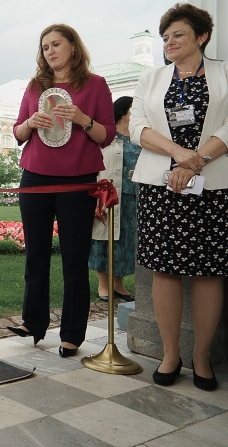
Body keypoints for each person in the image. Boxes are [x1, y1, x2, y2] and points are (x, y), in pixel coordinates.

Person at [130, 3, 228, 391]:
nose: (169, 42)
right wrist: (178, 155)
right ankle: (170, 354)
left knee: (208, 273)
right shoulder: (150, 79)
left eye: (178, 35)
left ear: (201, 37)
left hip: (212, 185)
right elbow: (137, 127)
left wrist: (196, 160)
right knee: (164, 269)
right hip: (161, 185)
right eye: (165, 37)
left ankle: (201, 359)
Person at [9, 24, 115, 357]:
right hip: (35, 178)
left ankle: (72, 334)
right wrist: (31, 124)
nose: (50, 51)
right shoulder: (35, 86)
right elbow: (18, 131)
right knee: (36, 254)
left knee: (74, 258)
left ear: (72, 47)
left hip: (78, 180)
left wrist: (84, 119)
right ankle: (33, 323)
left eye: (56, 44)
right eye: (44, 47)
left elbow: (106, 135)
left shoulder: (96, 85)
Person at [88, 96, 140, 302]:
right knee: (104, 239)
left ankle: (118, 284)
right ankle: (103, 284)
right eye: (133, 109)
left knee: (126, 242)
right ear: (123, 112)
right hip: (107, 196)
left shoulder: (139, 137)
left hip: (132, 198)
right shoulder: (106, 136)